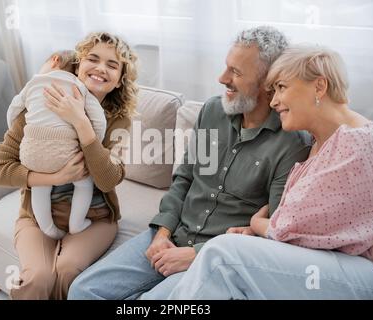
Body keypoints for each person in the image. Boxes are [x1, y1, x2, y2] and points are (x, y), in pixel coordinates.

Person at [68, 26, 311, 300]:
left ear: (268, 82)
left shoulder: (292, 143)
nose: (222, 78)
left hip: (215, 259)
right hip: (171, 234)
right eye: (226, 67)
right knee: (82, 290)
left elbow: (272, 233)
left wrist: (197, 256)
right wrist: (162, 232)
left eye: (236, 73)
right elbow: (183, 178)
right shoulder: (213, 111)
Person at [167, 45, 373, 300]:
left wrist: (257, 224)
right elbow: (303, 225)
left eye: (282, 87)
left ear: (319, 87)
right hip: (328, 263)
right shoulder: (318, 145)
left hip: (367, 273)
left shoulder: (361, 142)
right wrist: (259, 233)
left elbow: (288, 226)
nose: (273, 101)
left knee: (222, 255)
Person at [0, 32, 138, 299]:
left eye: (112, 65)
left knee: (68, 271)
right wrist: (55, 177)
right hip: (36, 218)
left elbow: (107, 179)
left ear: (119, 81)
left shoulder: (119, 122)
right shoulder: (41, 104)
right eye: (93, 59)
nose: (100, 68)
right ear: (78, 65)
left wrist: (81, 122)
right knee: (37, 278)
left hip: (95, 219)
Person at [7, 50, 107, 240]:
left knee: (39, 186)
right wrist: (93, 145)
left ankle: (47, 228)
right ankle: (76, 224)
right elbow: (99, 121)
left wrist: (18, 133)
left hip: (30, 152)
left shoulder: (34, 82)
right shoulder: (79, 86)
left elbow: (13, 110)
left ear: (54, 60)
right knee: (85, 184)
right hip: (65, 154)